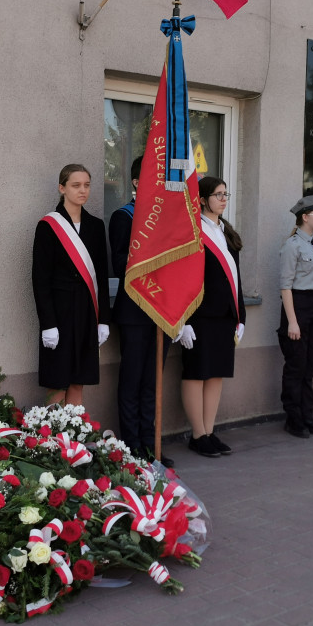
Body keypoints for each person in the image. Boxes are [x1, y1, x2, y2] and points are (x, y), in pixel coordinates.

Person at [109, 157, 172, 466]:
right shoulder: (123, 216)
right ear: (136, 182)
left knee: (153, 381)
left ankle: (150, 443)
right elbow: (119, 262)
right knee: (133, 379)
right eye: (152, 179)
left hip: (163, 309)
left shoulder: (170, 220)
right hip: (135, 309)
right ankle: (131, 444)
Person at [32, 163, 110, 406]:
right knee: (58, 381)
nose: (83, 190)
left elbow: (102, 275)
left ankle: (75, 441)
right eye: (76, 185)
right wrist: (48, 324)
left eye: (87, 185)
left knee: (78, 379)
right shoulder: (48, 226)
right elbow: (40, 278)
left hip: (87, 313)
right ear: (62, 188)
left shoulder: (96, 226)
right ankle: (54, 441)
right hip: (60, 314)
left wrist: (103, 319)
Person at [179, 176, 245, 458]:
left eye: (225, 194)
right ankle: (197, 434)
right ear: (202, 199)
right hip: (198, 316)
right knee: (196, 373)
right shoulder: (192, 231)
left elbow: (236, 279)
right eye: (218, 194)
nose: (223, 199)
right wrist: (183, 322)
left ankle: (209, 430)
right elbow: (181, 279)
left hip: (224, 316)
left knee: (216, 374)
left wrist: (241, 316)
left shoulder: (227, 233)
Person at [278, 195, 313, 438]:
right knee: (296, 365)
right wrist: (292, 321)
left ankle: (307, 415)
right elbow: (285, 286)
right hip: (298, 306)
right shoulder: (292, 245)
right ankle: (294, 418)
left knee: (310, 366)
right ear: (304, 216)